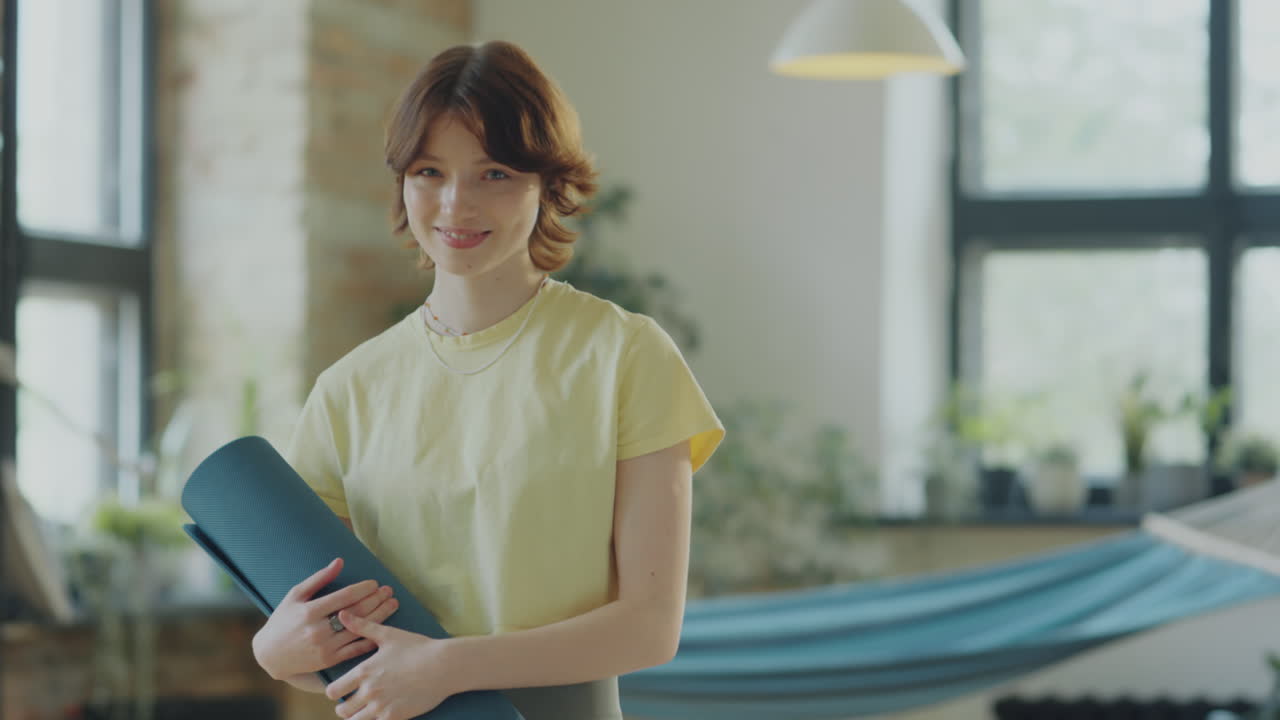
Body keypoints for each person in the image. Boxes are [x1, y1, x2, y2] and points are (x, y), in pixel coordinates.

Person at [249, 40, 724, 720]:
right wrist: (275, 652)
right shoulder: (347, 390)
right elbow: (332, 637)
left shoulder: (625, 355)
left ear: (547, 184)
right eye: (429, 171)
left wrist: (448, 666)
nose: (455, 203)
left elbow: (650, 626)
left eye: (494, 173)